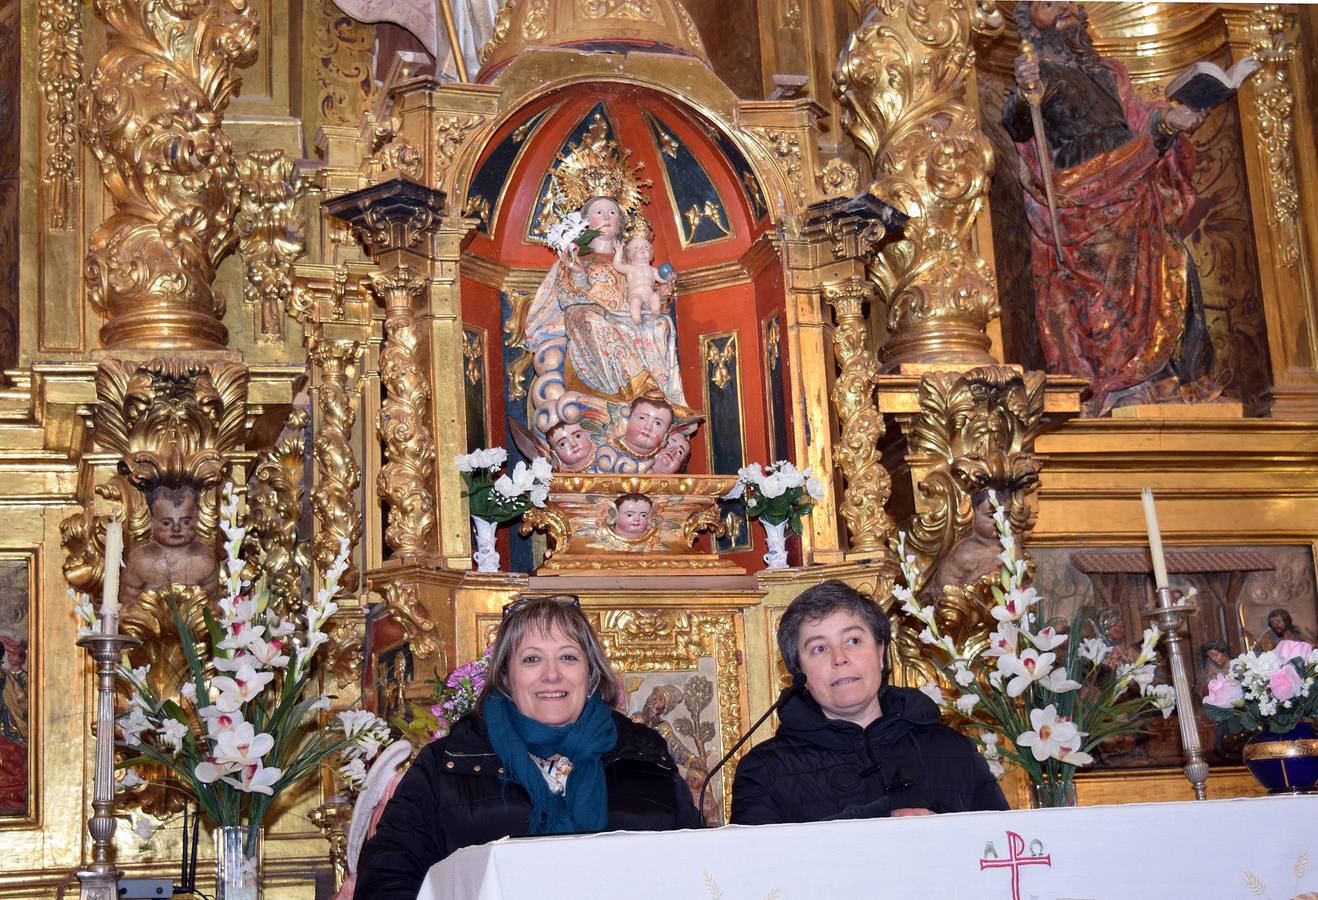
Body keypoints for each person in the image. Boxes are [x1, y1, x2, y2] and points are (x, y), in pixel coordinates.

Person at [355, 595, 700, 898]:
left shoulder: (647, 757)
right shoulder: (446, 763)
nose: (552, 675)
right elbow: (386, 879)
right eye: (532, 659)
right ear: (506, 675)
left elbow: (699, 870)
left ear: (591, 674)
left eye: (568, 657)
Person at [1003, 2, 1215, 416]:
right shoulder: (1036, 71)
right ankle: (1117, 382)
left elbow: (1137, 120)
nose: (1064, 7)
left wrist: (1172, 117)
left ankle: (1159, 378)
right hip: (1082, 196)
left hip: (1134, 185)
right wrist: (1024, 90)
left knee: (1173, 264)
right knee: (1109, 281)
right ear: (1030, 20)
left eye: (1068, 0)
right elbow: (1018, 124)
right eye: (1048, 4)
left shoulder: (1110, 71)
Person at [730, 580, 1008, 825]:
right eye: (819, 648)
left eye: (852, 640)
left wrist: (943, 833)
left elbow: (1000, 849)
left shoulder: (954, 750)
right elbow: (754, 875)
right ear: (798, 671)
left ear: (881, 650)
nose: (839, 658)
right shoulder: (764, 771)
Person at [523, 194, 686, 440]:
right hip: (588, 315)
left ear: (620, 223)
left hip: (628, 317)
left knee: (662, 323)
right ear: (585, 222)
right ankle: (635, 386)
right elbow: (566, 295)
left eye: (612, 213)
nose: (606, 217)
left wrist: (661, 294)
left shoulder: (631, 263)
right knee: (592, 318)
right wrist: (577, 272)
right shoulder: (575, 257)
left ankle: (659, 394)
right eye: (599, 212)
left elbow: (644, 299)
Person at [119, 483, 219, 605]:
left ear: (196, 519)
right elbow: (128, 598)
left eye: (185, 522)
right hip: (148, 619)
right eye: (166, 523)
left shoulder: (204, 560)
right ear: (152, 521)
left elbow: (212, 601)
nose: (176, 528)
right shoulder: (140, 560)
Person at [611, 236, 663, 325]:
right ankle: (636, 318)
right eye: (636, 248)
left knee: (655, 297)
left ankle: (655, 311)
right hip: (635, 294)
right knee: (635, 301)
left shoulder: (652, 270)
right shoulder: (630, 268)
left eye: (646, 247)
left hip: (649, 294)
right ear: (630, 254)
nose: (642, 250)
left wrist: (669, 278)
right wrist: (619, 252)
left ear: (651, 253)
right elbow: (617, 265)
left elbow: (662, 279)